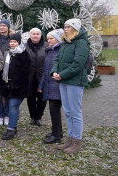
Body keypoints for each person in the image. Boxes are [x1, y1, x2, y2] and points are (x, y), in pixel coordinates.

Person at [51, 18, 90, 154]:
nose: (65, 29)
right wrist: (55, 71)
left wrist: (62, 75)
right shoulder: (66, 42)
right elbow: (57, 59)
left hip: (74, 82)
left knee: (75, 112)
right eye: (65, 26)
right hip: (64, 81)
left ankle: (77, 142)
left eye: (68, 27)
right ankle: (70, 139)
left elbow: (78, 65)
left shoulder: (81, 43)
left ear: (75, 28)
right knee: (68, 112)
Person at [0, 32, 31, 140]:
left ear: (19, 43)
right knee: (9, 106)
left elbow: (26, 72)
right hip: (7, 86)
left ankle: (10, 129)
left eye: (15, 42)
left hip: (19, 87)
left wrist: (17, 84)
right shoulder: (7, 53)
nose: (12, 44)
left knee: (13, 106)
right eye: (11, 41)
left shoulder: (24, 54)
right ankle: (14, 125)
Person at [38, 29, 64, 144]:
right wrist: (41, 85)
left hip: (57, 86)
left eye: (51, 38)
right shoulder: (50, 51)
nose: (48, 41)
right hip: (49, 85)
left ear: (58, 39)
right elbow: (45, 71)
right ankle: (58, 132)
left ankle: (56, 135)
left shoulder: (61, 51)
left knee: (54, 111)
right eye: (47, 38)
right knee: (54, 110)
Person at [26, 28, 48, 126]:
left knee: (42, 98)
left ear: (41, 35)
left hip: (42, 76)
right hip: (29, 76)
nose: (35, 36)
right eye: (33, 34)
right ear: (30, 35)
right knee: (30, 98)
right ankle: (32, 117)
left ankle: (39, 117)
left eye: (37, 34)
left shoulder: (47, 46)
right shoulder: (25, 46)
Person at [0, 19, 15, 126]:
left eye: (4, 25)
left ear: (8, 27)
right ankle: (0, 115)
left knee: (7, 94)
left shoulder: (12, 39)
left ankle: (7, 115)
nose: (2, 27)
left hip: (8, 71)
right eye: (0, 25)